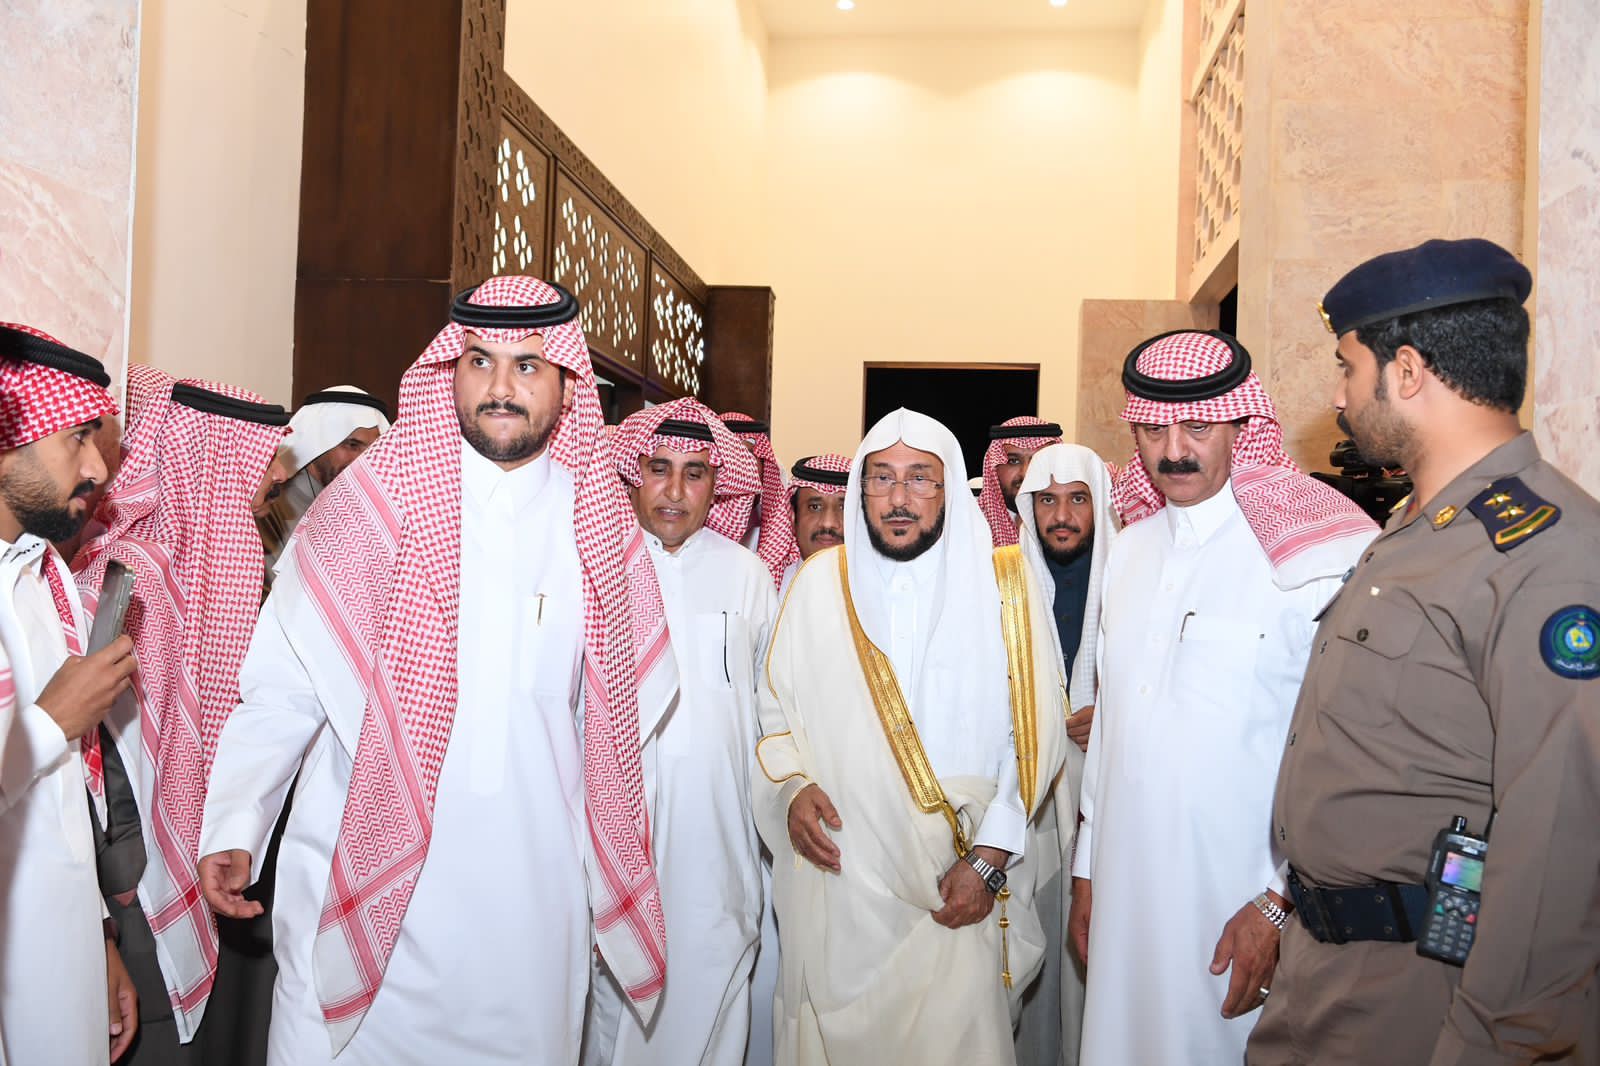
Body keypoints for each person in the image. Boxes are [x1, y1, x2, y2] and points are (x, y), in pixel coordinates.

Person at [196, 276, 675, 1065]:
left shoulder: (597, 526)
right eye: (480, 361)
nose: (501, 387)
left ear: (566, 384)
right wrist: (236, 823)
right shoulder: (366, 509)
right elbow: (283, 690)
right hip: (355, 890)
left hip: (526, 919)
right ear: (449, 369)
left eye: (528, 366)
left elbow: (621, 738)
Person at [1249, 238, 1600, 1066]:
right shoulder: (1413, 528)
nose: (1337, 396)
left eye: (1348, 368)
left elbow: (1560, 849)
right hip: (1321, 976)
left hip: (1427, 997)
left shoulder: (1546, 556)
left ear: (1406, 372)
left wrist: (1495, 1043)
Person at [1068, 330, 1376, 1066]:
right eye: (1153, 430)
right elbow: (1113, 728)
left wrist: (1279, 902)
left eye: (1199, 428)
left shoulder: (1314, 553)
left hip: (1239, 900)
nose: (1173, 451)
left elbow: (1347, 749)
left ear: (1243, 426)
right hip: (1125, 889)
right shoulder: (1129, 551)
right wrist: (1086, 871)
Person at [754, 408, 1066, 1065]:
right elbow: (773, 716)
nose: (900, 498)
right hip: (843, 886)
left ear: (949, 487)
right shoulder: (817, 586)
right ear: (860, 490)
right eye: (883, 478)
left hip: (957, 884)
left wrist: (988, 861)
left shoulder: (1006, 587)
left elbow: (1033, 737)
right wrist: (792, 790)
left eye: (920, 477)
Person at [73, 366, 289, 1064]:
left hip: (195, 859)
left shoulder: (206, 561)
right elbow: (96, 750)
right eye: (260, 460)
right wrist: (117, 887)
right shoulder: (129, 573)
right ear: (212, 457)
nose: (271, 479)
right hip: (136, 881)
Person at [585, 399, 775, 1066]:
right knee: (609, 1000)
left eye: (694, 473)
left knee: (712, 976)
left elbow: (771, 710)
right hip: (612, 828)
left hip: (716, 833)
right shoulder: (595, 564)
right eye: (659, 469)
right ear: (632, 474)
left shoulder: (747, 575)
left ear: (717, 485)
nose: (674, 490)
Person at [0, 322, 141, 1065]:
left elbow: (60, 803)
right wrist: (54, 720)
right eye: (75, 438)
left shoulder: (37, 576)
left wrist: (98, 939)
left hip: (58, 946)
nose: (96, 468)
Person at [1011, 442, 1120, 1066]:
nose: (1062, 516)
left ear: (1098, 504)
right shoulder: (1004, 581)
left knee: (1094, 943)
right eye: (1047, 500)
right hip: (1026, 787)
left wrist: (1114, 716)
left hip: (1107, 787)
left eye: (1077, 499)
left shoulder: (1132, 576)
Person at [258, 386, 390, 576]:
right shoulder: (271, 504)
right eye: (352, 445)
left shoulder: (373, 505)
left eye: (373, 449)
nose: (362, 460)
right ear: (318, 443)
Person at [719, 413, 795, 587]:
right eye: (729, 458)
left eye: (747, 457)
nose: (739, 468)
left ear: (764, 466)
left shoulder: (785, 534)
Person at [979, 416, 1064, 547]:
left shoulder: (1070, 525)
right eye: (1013, 461)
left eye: (1038, 461)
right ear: (994, 467)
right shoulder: (971, 526)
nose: (1025, 474)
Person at [779, 453, 850, 597]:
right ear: (792, 518)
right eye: (815, 507)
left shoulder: (880, 593)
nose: (828, 523)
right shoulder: (770, 590)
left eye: (843, 508)